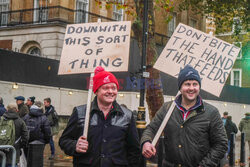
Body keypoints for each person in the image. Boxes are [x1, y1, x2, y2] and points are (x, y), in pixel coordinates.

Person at [141, 65, 228, 167]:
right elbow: (151, 128)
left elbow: (221, 144)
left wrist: (205, 165)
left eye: (195, 84)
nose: (191, 88)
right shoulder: (167, 108)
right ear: (180, 87)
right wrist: (146, 142)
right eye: (187, 84)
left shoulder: (211, 112)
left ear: (199, 87)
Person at [59, 66, 140, 167]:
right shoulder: (80, 113)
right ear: (96, 91)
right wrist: (74, 145)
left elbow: (134, 150)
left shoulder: (127, 115)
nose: (110, 91)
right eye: (105, 88)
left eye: (114, 88)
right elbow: (64, 140)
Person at [0, 103, 29, 167]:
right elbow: (26, 137)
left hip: (1, 151)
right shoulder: (20, 121)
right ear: (17, 110)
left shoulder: (1, 119)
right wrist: (20, 146)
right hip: (14, 151)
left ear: (7, 109)